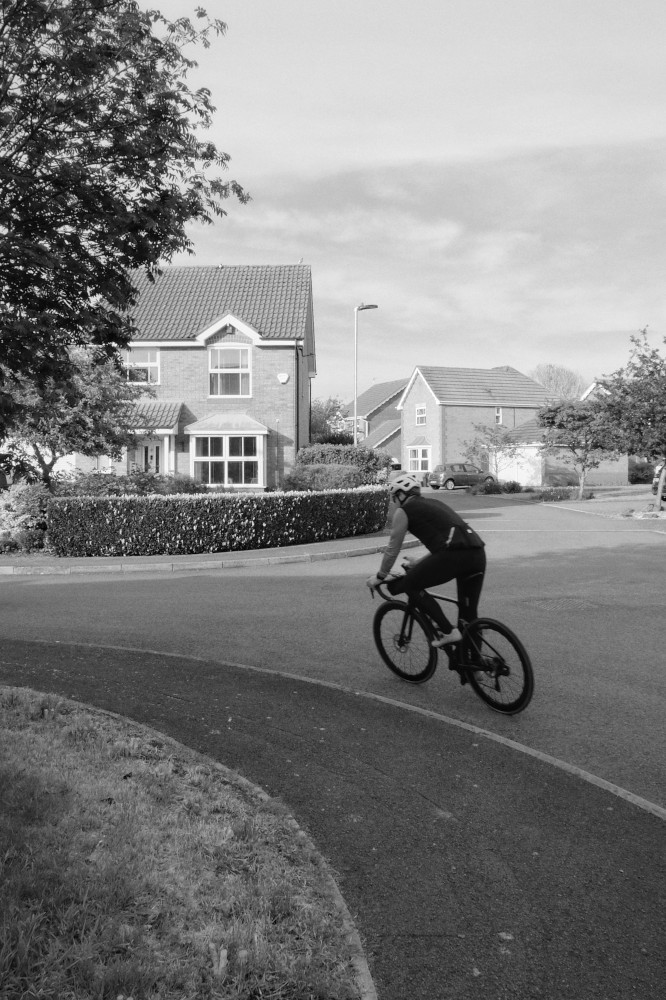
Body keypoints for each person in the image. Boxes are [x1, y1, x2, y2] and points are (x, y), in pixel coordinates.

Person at [366, 472, 486, 647]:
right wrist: (420, 561)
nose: (393, 503)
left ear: (401, 495)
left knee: (410, 584)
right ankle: (475, 669)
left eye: (393, 498)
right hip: (476, 554)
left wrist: (380, 575)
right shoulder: (435, 503)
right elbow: (451, 540)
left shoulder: (404, 511)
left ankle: (447, 631)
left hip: (454, 556)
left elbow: (393, 548)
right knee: (468, 615)